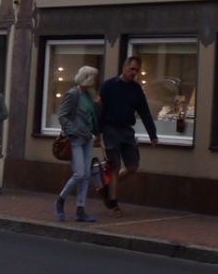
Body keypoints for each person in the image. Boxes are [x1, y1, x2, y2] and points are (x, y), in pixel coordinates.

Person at [97, 56, 159, 213]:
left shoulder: (136, 89)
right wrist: (97, 133)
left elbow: (144, 112)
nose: (134, 73)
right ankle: (113, 203)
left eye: (136, 70)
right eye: (131, 69)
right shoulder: (109, 86)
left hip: (126, 130)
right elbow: (100, 111)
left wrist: (152, 134)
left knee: (132, 166)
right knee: (115, 165)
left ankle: (107, 187)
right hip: (110, 129)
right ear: (124, 67)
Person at [54, 65, 101, 224]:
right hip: (76, 139)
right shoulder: (73, 94)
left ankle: (80, 210)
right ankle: (60, 200)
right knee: (79, 174)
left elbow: (92, 117)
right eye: (93, 78)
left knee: (86, 175)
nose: (95, 81)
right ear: (87, 78)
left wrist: (96, 133)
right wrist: (72, 131)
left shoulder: (89, 95)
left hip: (88, 138)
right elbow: (62, 115)